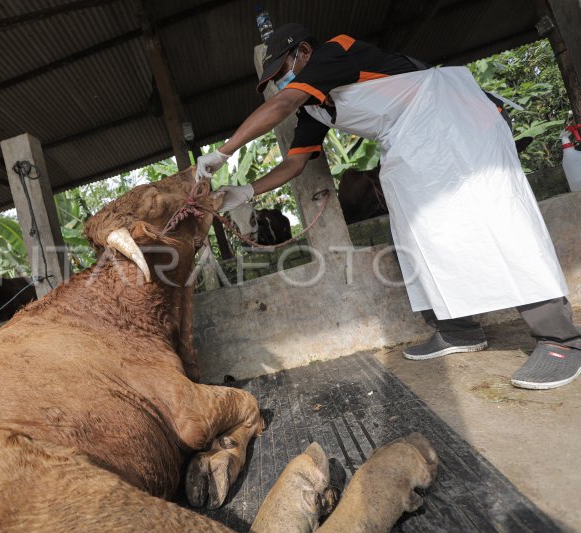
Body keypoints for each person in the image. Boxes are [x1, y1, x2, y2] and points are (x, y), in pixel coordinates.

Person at [195, 23, 581, 390]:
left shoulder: (335, 52)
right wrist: (246, 190)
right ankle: (458, 328)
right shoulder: (315, 107)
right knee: (417, 235)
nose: (283, 80)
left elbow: (283, 101)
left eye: (284, 69)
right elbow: (295, 162)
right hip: (410, 142)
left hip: (454, 122)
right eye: (276, 77)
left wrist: (224, 151)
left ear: (305, 52)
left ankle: (560, 338)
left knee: (495, 218)